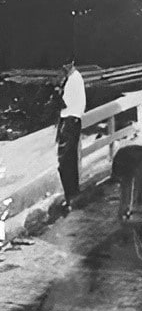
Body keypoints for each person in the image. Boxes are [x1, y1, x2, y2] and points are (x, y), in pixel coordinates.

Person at [55, 58, 86, 211]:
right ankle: (73, 195)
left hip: (69, 121)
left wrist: (57, 94)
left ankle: (70, 197)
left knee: (65, 162)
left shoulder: (73, 79)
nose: (63, 66)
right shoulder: (75, 77)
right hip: (73, 120)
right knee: (70, 160)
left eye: (66, 64)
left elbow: (65, 102)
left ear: (72, 63)